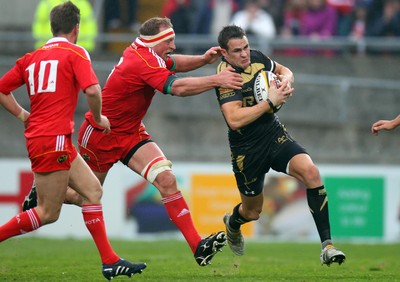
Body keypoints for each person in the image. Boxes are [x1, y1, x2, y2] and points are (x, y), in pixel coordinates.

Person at [23, 16, 243, 267]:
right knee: (86, 196)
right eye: (169, 41)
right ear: (155, 41)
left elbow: (173, 63)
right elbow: (178, 88)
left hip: (131, 132)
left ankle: (198, 246)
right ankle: (47, 188)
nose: (173, 45)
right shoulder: (142, 61)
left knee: (166, 179)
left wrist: (203, 60)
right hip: (101, 134)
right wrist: (217, 79)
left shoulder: (146, 52)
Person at [0, 2, 146, 280]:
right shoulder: (75, 51)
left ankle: (110, 261)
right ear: (76, 28)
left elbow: (2, 88)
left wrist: (23, 115)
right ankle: (107, 259)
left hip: (51, 138)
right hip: (52, 138)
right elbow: (92, 89)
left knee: (92, 191)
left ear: (52, 27)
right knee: (47, 213)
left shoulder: (31, 58)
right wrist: (99, 117)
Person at [215, 25, 346, 266]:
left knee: (311, 172)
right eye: (237, 51)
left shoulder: (256, 57)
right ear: (225, 54)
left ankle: (327, 246)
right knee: (253, 212)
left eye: (245, 47)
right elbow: (234, 120)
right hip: (246, 148)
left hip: (273, 133)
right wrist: (269, 102)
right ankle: (233, 223)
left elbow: (286, 69)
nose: (244, 54)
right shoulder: (225, 78)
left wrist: (284, 80)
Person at [32, 0, 97, 52]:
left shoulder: (81, 3)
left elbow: (89, 24)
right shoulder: (47, 3)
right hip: (49, 48)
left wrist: (86, 45)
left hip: (77, 47)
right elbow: (39, 24)